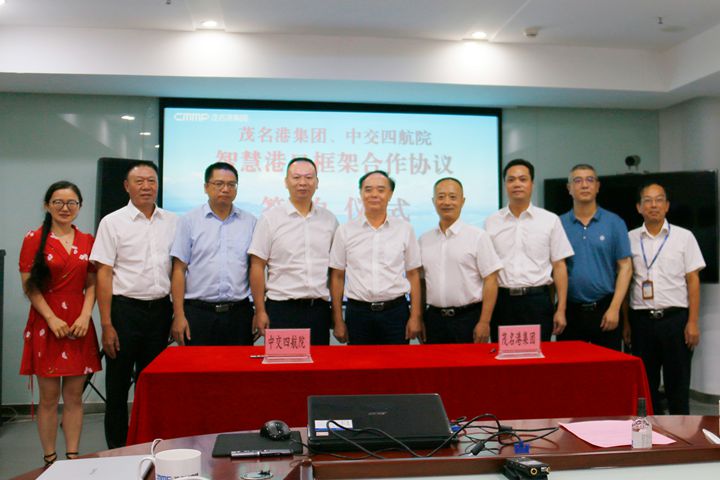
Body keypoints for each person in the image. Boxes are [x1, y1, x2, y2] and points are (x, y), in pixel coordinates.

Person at [90, 161, 177, 448]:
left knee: (152, 386)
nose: (146, 187)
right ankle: (117, 450)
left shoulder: (172, 222)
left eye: (151, 181)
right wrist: (106, 323)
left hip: (160, 311)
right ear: (127, 186)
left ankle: (150, 445)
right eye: (139, 181)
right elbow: (103, 273)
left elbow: (178, 270)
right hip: (124, 311)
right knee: (117, 387)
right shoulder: (112, 222)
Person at [19, 181, 101, 466]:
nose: (65, 208)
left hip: (79, 323)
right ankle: (50, 460)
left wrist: (85, 315)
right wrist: (51, 318)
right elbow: (30, 286)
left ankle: (73, 457)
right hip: (46, 323)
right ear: (47, 205)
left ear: (79, 206)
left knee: (75, 396)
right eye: (58, 202)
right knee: (49, 398)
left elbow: (93, 283)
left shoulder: (88, 240)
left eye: (71, 203)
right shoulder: (34, 238)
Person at [627, 182, 704, 414]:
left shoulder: (684, 237)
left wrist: (692, 322)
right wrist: (626, 323)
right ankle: (650, 433)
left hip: (675, 320)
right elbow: (624, 282)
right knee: (645, 387)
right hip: (641, 321)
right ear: (639, 207)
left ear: (667, 206)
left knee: (677, 385)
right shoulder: (629, 238)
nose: (654, 205)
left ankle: (681, 433)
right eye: (648, 200)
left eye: (659, 200)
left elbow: (693, 280)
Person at [248, 158, 339, 345]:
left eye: (309, 177)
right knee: (283, 363)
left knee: (318, 362)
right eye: (296, 177)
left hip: (318, 310)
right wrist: (260, 310)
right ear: (286, 182)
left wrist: (337, 315)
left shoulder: (329, 220)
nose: (303, 182)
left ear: (317, 182)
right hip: (281, 310)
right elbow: (257, 266)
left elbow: (336, 270)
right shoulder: (270, 219)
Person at [484, 159, 574, 342]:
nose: (517, 184)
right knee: (503, 356)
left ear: (532, 183)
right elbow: (487, 270)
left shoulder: (550, 220)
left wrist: (561, 309)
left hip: (537, 302)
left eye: (523, 179)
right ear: (505, 184)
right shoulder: (492, 222)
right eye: (511, 180)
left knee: (537, 357)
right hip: (502, 303)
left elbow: (559, 266)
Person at [329, 170, 422, 345]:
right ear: (360, 193)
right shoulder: (345, 231)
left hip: (396, 313)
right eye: (368, 189)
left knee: (397, 362)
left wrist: (415, 316)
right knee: (359, 362)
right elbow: (337, 276)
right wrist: (338, 319)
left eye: (380, 189)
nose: (374, 194)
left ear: (390, 194)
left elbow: (413, 274)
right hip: (358, 313)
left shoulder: (404, 229)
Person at [170, 162, 256, 346]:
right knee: (198, 364)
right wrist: (179, 315)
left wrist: (259, 310)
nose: (225, 189)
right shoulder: (189, 221)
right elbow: (179, 270)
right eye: (219, 184)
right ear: (206, 187)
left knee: (239, 364)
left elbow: (254, 268)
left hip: (239, 314)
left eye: (231, 184)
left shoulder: (250, 222)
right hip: (199, 314)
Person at [419, 177, 502, 343]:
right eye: (441, 197)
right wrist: (419, 317)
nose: (446, 202)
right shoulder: (424, 240)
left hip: (468, 318)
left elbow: (491, 280)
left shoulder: (478, 237)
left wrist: (484, 322)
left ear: (462, 201)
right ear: (433, 201)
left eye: (452, 197)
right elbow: (421, 283)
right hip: (434, 320)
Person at [559, 164, 632, 350]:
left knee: (607, 367)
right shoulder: (558, 224)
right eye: (578, 180)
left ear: (597, 186)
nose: (584, 185)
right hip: (570, 311)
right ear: (569, 188)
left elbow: (625, 267)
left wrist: (615, 308)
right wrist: (559, 309)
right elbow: (554, 270)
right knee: (570, 366)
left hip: (606, 309)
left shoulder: (614, 223)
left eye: (590, 180)